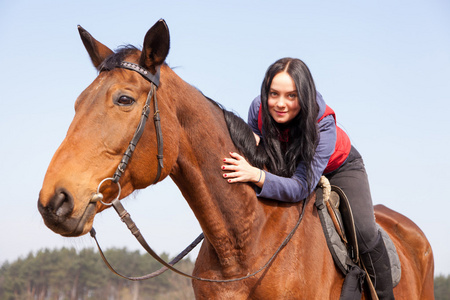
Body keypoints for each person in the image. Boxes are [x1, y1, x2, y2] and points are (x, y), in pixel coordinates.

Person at [221, 57, 395, 299]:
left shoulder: (323, 125)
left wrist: (257, 175)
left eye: (291, 96)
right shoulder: (258, 109)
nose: (280, 104)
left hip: (339, 168)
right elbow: (257, 147)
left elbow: (302, 186)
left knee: (364, 232)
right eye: (274, 94)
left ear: (304, 94)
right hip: (287, 165)